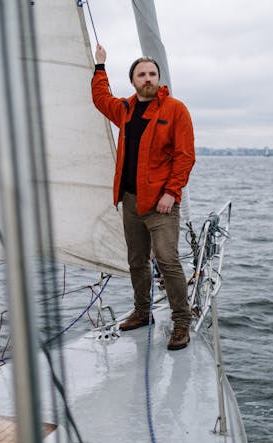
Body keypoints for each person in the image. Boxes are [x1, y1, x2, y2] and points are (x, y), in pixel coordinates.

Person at [91, 44, 195, 350]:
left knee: (168, 260)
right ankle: (142, 311)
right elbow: (100, 99)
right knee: (136, 260)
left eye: (152, 73)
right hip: (131, 200)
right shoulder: (125, 109)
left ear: (158, 79)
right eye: (141, 74)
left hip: (161, 203)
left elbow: (185, 156)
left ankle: (181, 323)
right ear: (134, 81)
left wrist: (171, 193)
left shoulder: (176, 110)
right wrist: (100, 66)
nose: (147, 78)